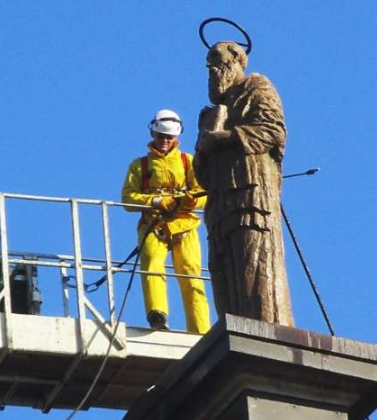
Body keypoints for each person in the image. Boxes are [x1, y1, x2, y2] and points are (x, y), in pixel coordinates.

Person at [194, 42, 294, 326]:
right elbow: (202, 175)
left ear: (236, 57)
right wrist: (204, 145)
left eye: (215, 58)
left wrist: (224, 138)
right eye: (207, 61)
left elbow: (273, 131)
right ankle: (233, 330)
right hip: (219, 203)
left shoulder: (257, 87)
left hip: (251, 193)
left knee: (254, 264)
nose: (209, 66)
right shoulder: (212, 111)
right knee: (222, 269)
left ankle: (265, 330)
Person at [121, 110, 210, 333]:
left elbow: (204, 192)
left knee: (191, 274)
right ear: (153, 132)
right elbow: (128, 199)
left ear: (176, 138)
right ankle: (157, 314)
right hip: (154, 224)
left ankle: (200, 329)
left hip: (185, 224)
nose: (165, 141)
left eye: (169, 138)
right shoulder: (140, 165)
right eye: (161, 136)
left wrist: (190, 200)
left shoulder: (187, 162)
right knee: (152, 264)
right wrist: (156, 200)